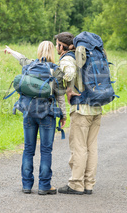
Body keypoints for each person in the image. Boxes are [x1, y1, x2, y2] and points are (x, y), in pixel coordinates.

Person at [4, 41, 66, 195]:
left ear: (39, 51)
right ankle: (44, 186)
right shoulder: (55, 70)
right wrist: (63, 115)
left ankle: (26, 185)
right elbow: (60, 96)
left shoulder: (30, 65)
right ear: (52, 52)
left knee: (28, 149)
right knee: (46, 150)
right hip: (47, 115)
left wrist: (11, 50)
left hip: (29, 113)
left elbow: (21, 58)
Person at [54, 32, 103, 195]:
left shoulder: (68, 58)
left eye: (57, 44)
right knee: (92, 147)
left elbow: (69, 73)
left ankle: (76, 184)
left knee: (79, 147)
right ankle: (88, 184)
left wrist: (68, 89)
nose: (56, 47)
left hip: (82, 110)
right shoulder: (87, 55)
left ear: (62, 46)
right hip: (96, 107)